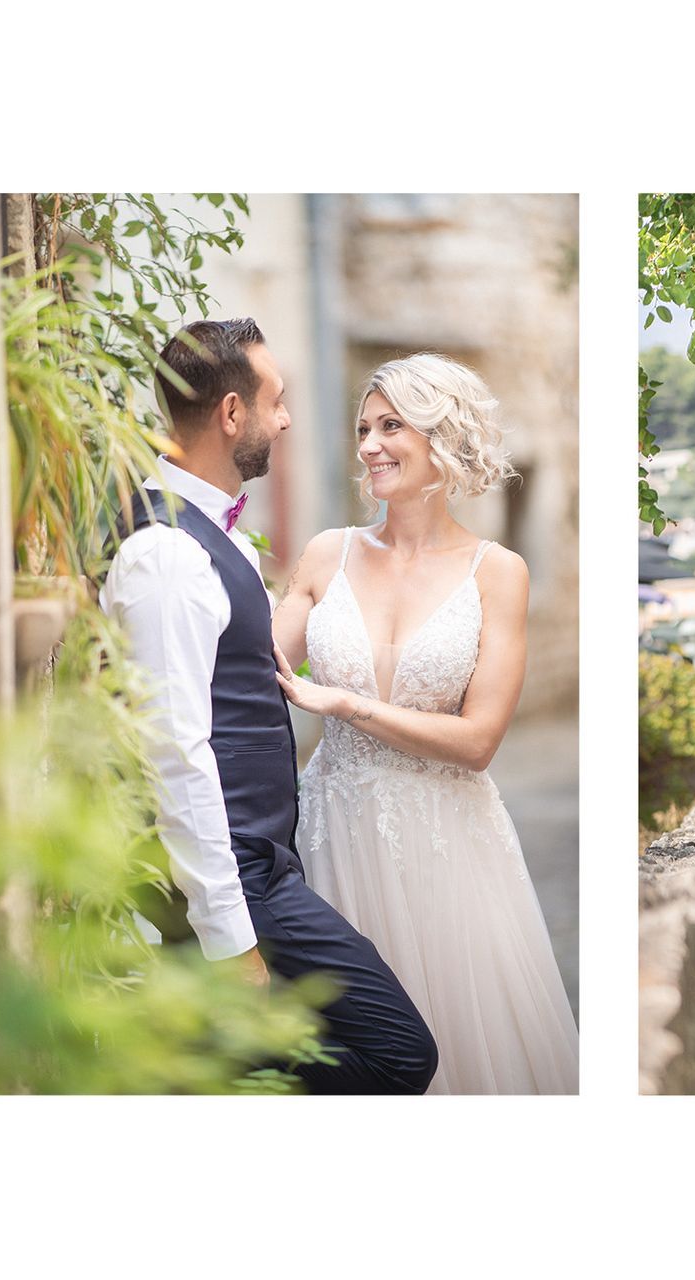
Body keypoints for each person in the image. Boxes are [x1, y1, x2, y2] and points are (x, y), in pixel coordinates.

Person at [103, 318, 438, 1093]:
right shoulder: (167, 556)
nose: (285, 419)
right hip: (240, 881)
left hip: (264, 866)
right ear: (231, 413)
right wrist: (229, 939)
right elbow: (175, 753)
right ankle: (181, 1068)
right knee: (399, 1054)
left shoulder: (204, 542)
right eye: (275, 401)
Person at [271, 353, 578, 1093]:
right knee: (345, 1048)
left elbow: (478, 742)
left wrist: (347, 704)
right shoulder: (325, 554)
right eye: (363, 429)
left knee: (457, 1042)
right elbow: (251, 671)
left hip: (449, 847)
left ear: (441, 435)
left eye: (391, 426)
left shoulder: (497, 571)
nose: (370, 445)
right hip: (332, 834)